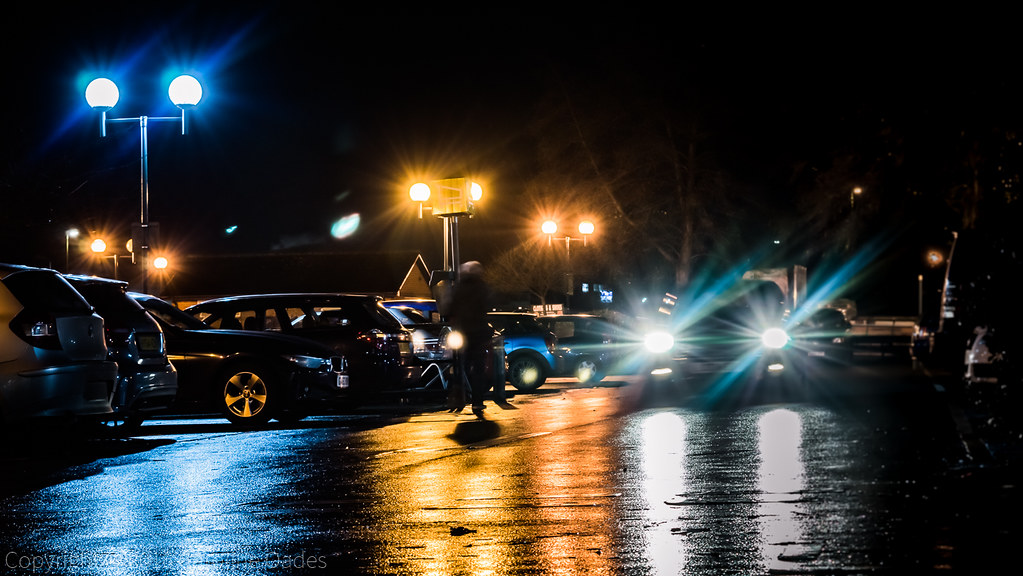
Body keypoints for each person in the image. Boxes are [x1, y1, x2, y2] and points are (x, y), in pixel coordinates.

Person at [448, 261, 494, 418]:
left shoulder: (459, 287)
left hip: (462, 332)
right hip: (479, 332)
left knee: (461, 365)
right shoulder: (482, 287)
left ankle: (459, 396)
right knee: (478, 368)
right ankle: (477, 401)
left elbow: (451, 307)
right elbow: (486, 305)